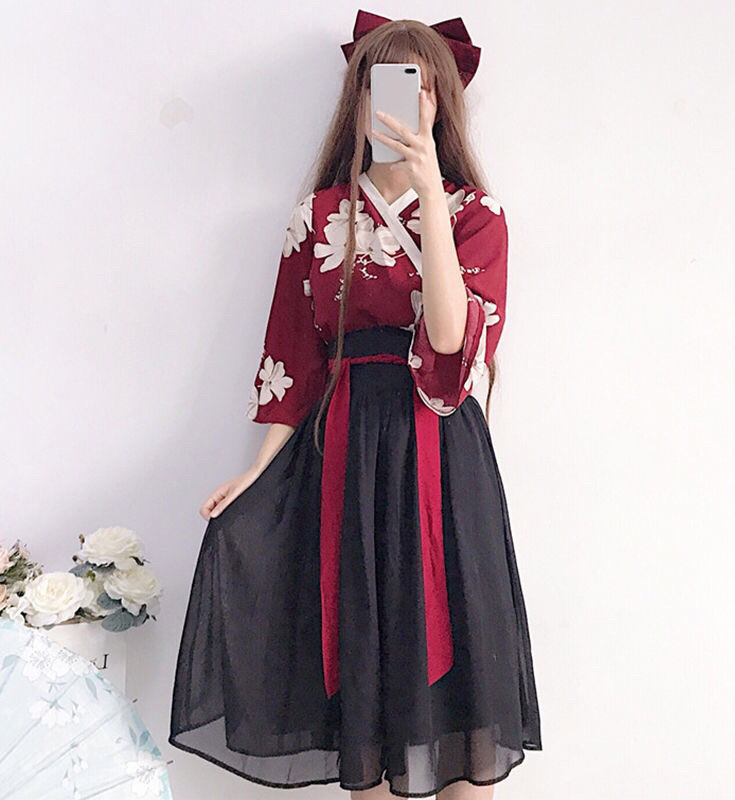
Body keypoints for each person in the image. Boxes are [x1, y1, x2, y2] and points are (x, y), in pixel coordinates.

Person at [169, 11, 542, 799]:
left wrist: (431, 196)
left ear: (441, 102)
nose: (404, 103)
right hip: (344, 452)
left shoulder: (477, 215)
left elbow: (452, 338)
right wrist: (257, 473)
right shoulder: (317, 216)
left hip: (441, 451)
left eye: (421, 87)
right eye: (386, 85)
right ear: (360, 98)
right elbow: (292, 358)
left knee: (460, 676)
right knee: (363, 667)